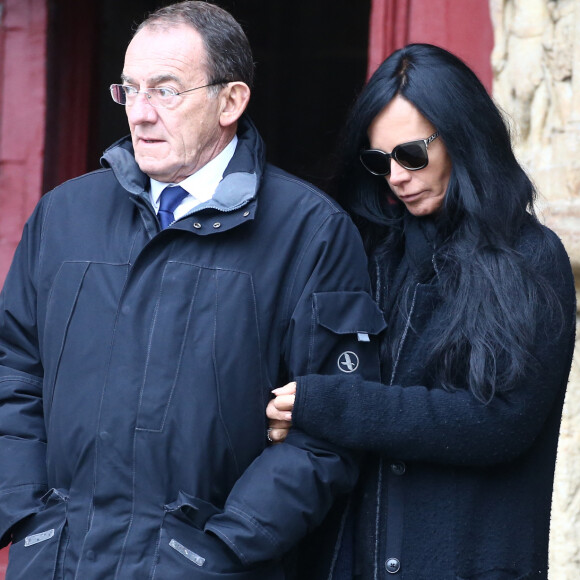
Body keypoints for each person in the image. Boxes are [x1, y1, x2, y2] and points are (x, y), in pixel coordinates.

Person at [0, 2, 386, 579]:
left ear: (230, 101)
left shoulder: (310, 233)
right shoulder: (64, 215)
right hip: (58, 563)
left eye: (166, 90)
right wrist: (30, 521)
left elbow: (326, 428)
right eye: (129, 90)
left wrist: (219, 550)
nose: (141, 114)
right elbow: (13, 374)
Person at [267, 43, 576, 579]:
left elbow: (499, 422)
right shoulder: (369, 253)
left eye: (411, 154)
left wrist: (333, 407)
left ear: (462, 137)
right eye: (378, 160)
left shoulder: (531, 257)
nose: (396, 176)